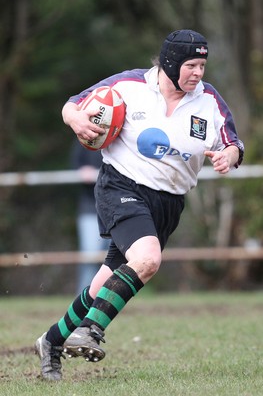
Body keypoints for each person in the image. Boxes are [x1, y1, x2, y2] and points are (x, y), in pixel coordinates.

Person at [35, 29, 244, 381]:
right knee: (147, 260)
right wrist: (75, 119)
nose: (198, 73)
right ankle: (91, 331)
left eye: (202, 65)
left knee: (105, 283)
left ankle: (50, 341)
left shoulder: (209, 101)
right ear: (170, 62)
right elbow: (73, 104)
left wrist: (228, 155)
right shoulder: (128, 86)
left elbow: (233, 142)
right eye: (191, 64)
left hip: (169, 202)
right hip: (121, 185)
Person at [70, 140, 110, 294]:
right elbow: (75, 164)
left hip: (118, 210)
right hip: (90, 210)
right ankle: (83, 302)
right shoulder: (86, 139)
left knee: (115, 261)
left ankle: (109, 300)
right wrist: (81, 170)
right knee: (90, 258)